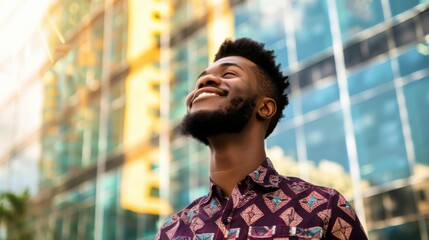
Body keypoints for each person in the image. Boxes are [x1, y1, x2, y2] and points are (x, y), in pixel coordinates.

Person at [156, 38, 368, 240]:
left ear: (265, 107)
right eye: (200, 79)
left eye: (229, 73)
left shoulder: (324, 208)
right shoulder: (171, 230)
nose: (204, 81)